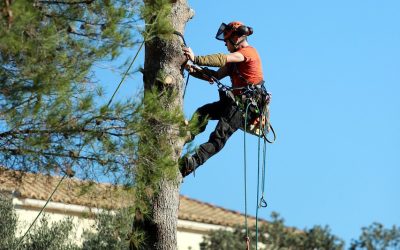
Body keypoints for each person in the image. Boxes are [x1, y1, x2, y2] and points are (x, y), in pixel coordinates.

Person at [181, 21, 265, 177]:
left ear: (236, 39)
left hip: (246, 106)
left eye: (227, 41)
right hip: (236, 102)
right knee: (203, 112)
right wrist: (190, 68)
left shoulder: (247, 53)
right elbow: (215, 75)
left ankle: (192, 163)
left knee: (219, 136)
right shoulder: (235, 62)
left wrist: (196, 58)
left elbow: (222, 58)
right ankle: (186, 134)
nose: (225, 44)